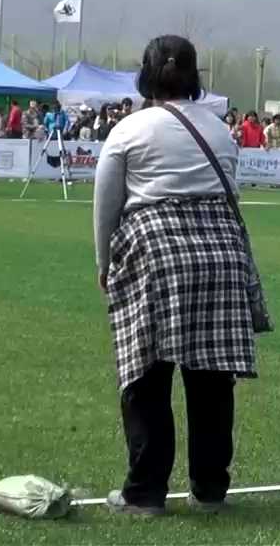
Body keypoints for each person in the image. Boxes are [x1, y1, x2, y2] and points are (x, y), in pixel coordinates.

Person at [93, 34, 257, 516]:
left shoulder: (130, 129)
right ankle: (209, 490)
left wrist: (104, 262)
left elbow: (107, 204)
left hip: (158, 254)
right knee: (210, 381)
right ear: (193, 75)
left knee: (147, 377)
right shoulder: (222, 130)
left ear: (147, 73)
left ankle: (144, 494)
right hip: (223, 256)